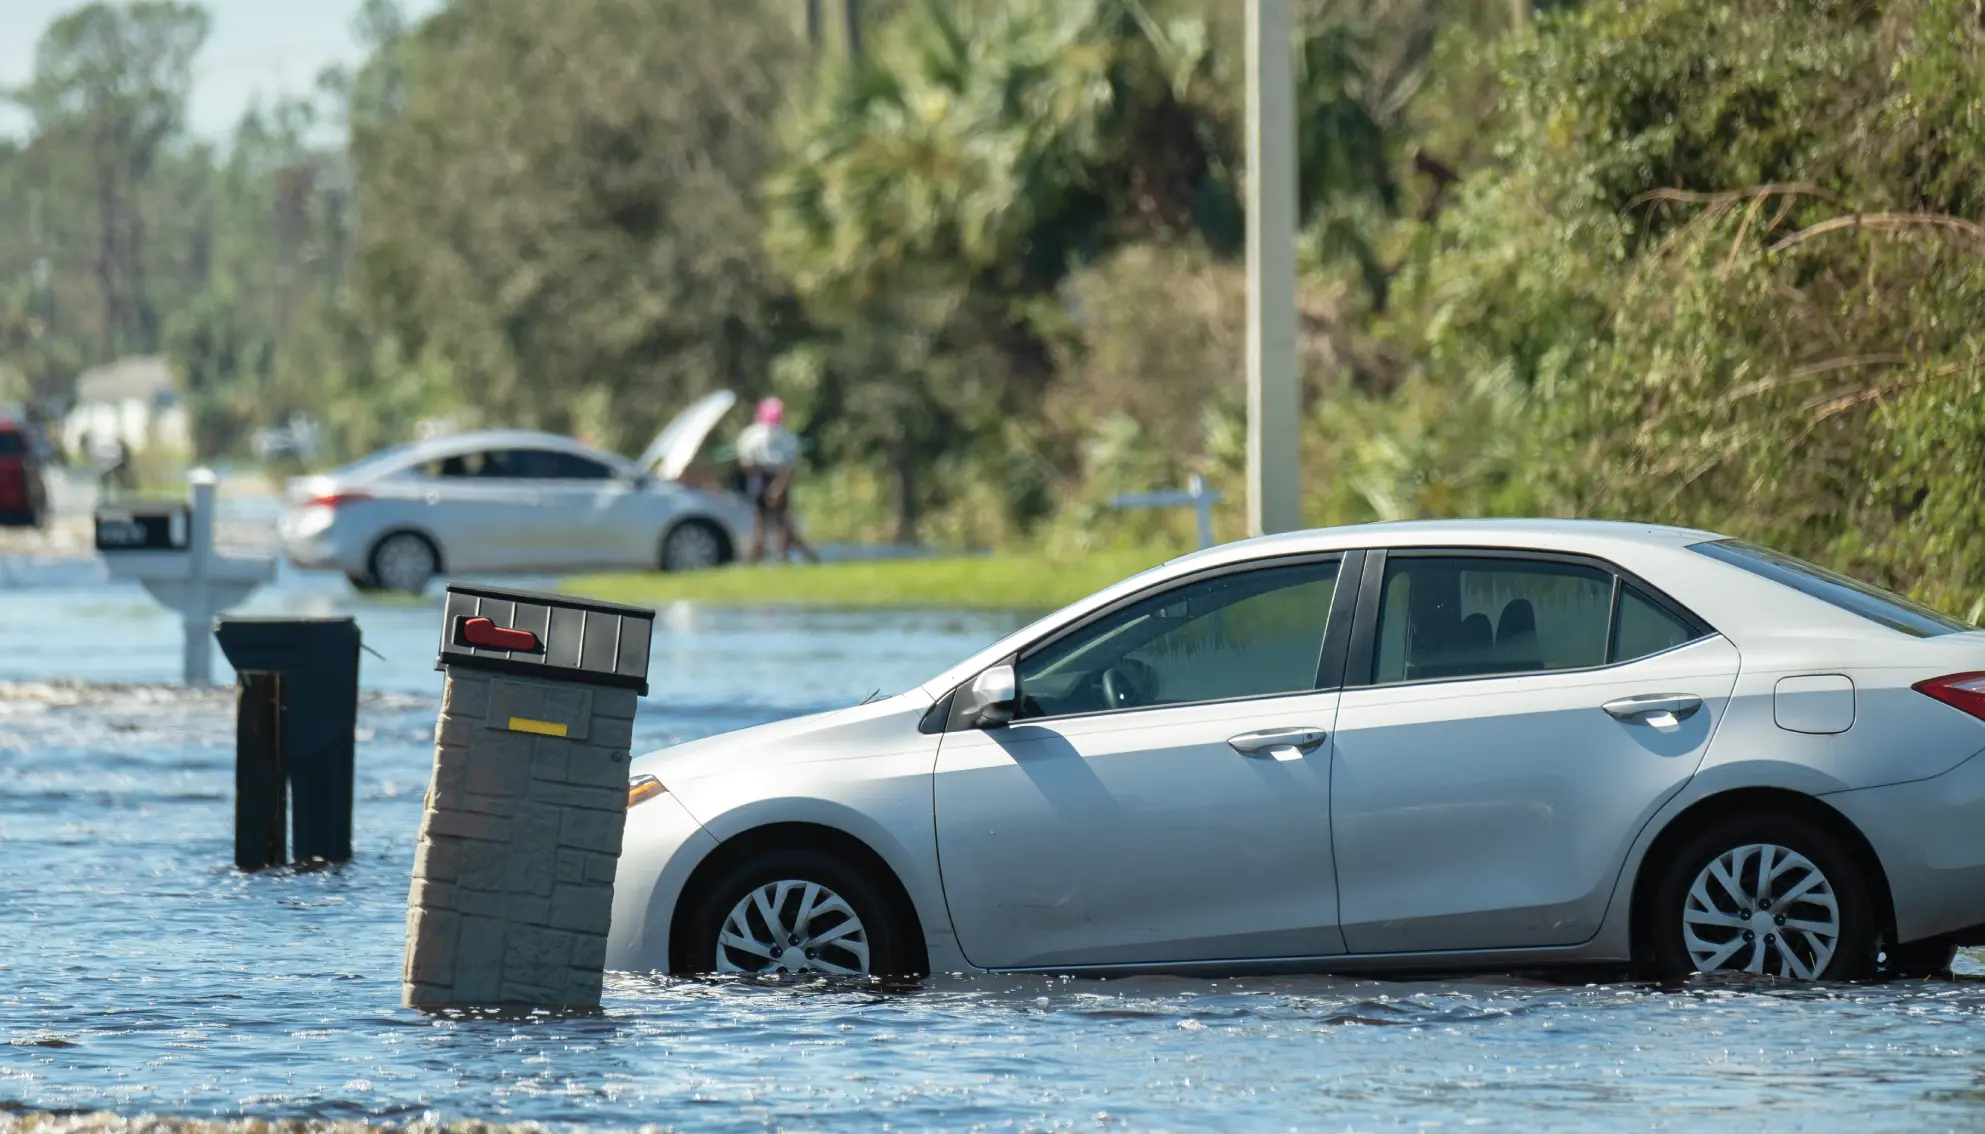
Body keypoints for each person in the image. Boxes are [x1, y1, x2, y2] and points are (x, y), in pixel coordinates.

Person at [736, 396, 818, 564]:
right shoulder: (786, 437)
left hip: (758, 478)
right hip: (776, 477)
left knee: (761, 523)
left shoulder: (750, 435)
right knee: (780, 523)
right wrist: (777, 488)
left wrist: (761, 484)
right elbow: (787, 466)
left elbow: (745, 463)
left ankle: (757, 560)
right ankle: (782, 558)